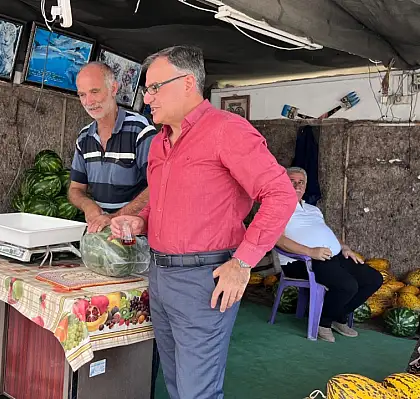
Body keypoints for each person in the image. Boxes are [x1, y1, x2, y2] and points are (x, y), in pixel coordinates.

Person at [111, 46, 298, 399]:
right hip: (160, 273)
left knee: (198, 391)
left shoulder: (227, 130)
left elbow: (281, 194)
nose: (146, 98)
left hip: (203, 280)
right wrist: (140, 222)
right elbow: (163, 201)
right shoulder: (159, 143)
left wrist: (242, 263)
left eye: (153, 88)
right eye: (146, 89)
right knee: (176, 383)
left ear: (186, 83)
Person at [276, 167, 383, 343]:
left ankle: (337, 315)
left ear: (305, 186)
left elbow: (327, 233)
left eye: (301, 182)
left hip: (332, 256)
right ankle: (323, 322)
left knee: (373, 279)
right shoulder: (277, 208)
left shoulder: (313, 210)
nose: (297, 185)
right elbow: (276, 240)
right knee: (348, 285)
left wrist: (345, 248)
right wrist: (310, 252)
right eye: (292, 181)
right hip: (302, 261)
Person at [69, 61, 157, 233]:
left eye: (95, 91)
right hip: (101, 235)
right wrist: (88, 206)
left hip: (135, 236)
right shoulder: (84, 137)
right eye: (82, 95)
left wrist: (115, 217)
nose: (89, 101)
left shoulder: (140, 130)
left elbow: (158, 186)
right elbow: (75, 189)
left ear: (114, 89)